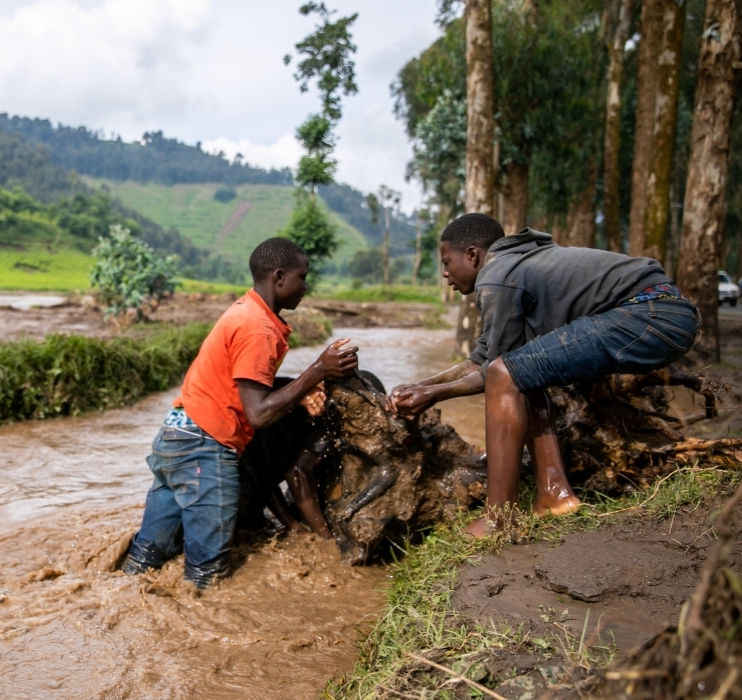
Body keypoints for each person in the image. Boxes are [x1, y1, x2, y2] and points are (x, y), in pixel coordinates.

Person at [386, 214, 699, 536]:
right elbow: (482, 358)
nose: (445, 273)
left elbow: (494, 372)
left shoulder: (496, 276)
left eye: (446, 261)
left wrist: (435, 395)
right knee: (523, 370)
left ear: (472, 255)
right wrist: (420, 385)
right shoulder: (514, 263)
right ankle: (554, 494)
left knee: (506, 374)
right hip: (663, 313)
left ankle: (500, 518)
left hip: (651, 314)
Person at [121, 238, 360, 587]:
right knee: (207, 574)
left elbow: (246, 379)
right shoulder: (258, 328)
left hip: (176, 437)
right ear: (279, 278)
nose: (306, 286)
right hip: (206, 449)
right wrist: (318, 372)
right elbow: (259, 415)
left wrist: (300, 383)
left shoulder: (246, 311)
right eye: (302, 277)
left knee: (147, 557)